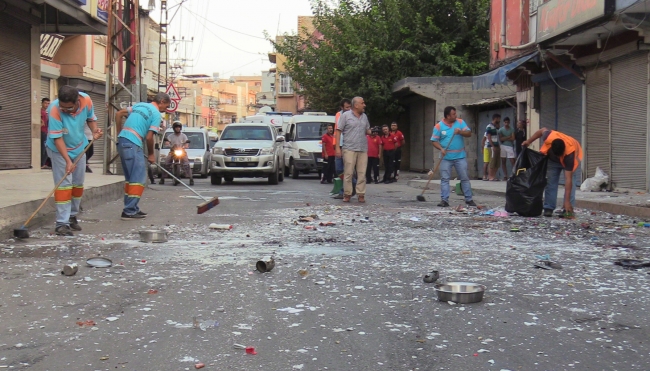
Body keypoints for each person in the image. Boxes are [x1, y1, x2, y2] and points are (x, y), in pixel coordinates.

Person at [45, 86, 103, 236]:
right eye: (62, 107)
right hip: (59, 150)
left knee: (77, 185)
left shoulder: (87, 101)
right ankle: (61, 223)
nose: (65, 110)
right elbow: (57, 138)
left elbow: (91, 119)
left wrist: (95, 130)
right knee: (64, 185)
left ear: (77, 101)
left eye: (68, 108)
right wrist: (68, 161)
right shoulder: (54, 109)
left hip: (79, 147)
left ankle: (72, 216)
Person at [114, 93, 171, 220]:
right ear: (161, 101)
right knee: (138, 179)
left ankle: (132, 208)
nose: (164, 110)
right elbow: (149, 137)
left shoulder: (140, 105)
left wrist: (120, 132)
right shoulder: (156, 114)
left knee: (131, 179)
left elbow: (118, 114)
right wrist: (151, 154)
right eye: (165, 107)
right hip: (133, 144)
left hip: (123, 142)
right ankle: (129, 210)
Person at [522, 128, 583, 219]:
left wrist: (566, 201)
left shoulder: (570, 155)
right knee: (550, 182)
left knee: (572, 183)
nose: (559, 158)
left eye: (560, 156)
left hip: (569, 158)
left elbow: (568, 179)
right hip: (552, 161)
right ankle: (548, 208)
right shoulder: (548, 136)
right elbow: (541, 131)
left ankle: (567, 208)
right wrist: (528, 141)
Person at [431, 106, 476, 208]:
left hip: (460, 156)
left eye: (455, 113)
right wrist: (441, 149)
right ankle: (444, 200)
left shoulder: (460, 122)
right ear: (447, 116)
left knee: (464, 178)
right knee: (445, 179)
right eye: (453, 114)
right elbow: (434, 141)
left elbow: (469, 133)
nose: (456, 115)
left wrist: (460, 132)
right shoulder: (439, 126)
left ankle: (469, 199)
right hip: (445, 157)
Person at [335, 96, 371, 203]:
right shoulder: (345, 116)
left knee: (362, 173)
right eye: (362, 103)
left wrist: (372, 131)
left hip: (362, 149)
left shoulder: (364, 116)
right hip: (349, 148)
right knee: (348, 173)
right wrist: (337, 148)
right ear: (356, 105)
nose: (364, 105)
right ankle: (347, 194)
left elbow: (367, 130)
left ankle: (361, 194)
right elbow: (338, 131)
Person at [160, 121, 194, 186]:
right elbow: (167, 142)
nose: (177, 129)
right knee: (166, 163)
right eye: (176, 127)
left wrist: (185, 146)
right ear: (174, 128)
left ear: (180, 128)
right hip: (173, 151)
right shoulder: (170, 136)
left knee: (186, 163)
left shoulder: (183, 136)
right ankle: (162, 178)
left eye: (178, 127)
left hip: (182, 151)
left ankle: (191, 178)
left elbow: (187, 143)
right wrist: (169, 144)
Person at [486, 114, 501, 181]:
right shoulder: (489, 126)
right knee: (492, 161)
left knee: (497, 162)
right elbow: (489, 137)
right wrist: (493, 146)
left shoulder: (496, 127)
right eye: (499, 119)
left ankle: (494, 176)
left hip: (497, 145)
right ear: (496, 118)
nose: (499, 120)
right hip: (492, 146)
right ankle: (490, 176)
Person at [41, 98, 51, 169]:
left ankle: (43, 163)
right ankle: (42, 164)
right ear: (42, 103)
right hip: (42, 132)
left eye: (48, 103)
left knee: (45, 148)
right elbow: (42, 123)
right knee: (44, 149)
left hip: (46, 132)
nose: (46, 105)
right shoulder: (41, 112)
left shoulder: (46, 113)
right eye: (45, 103)